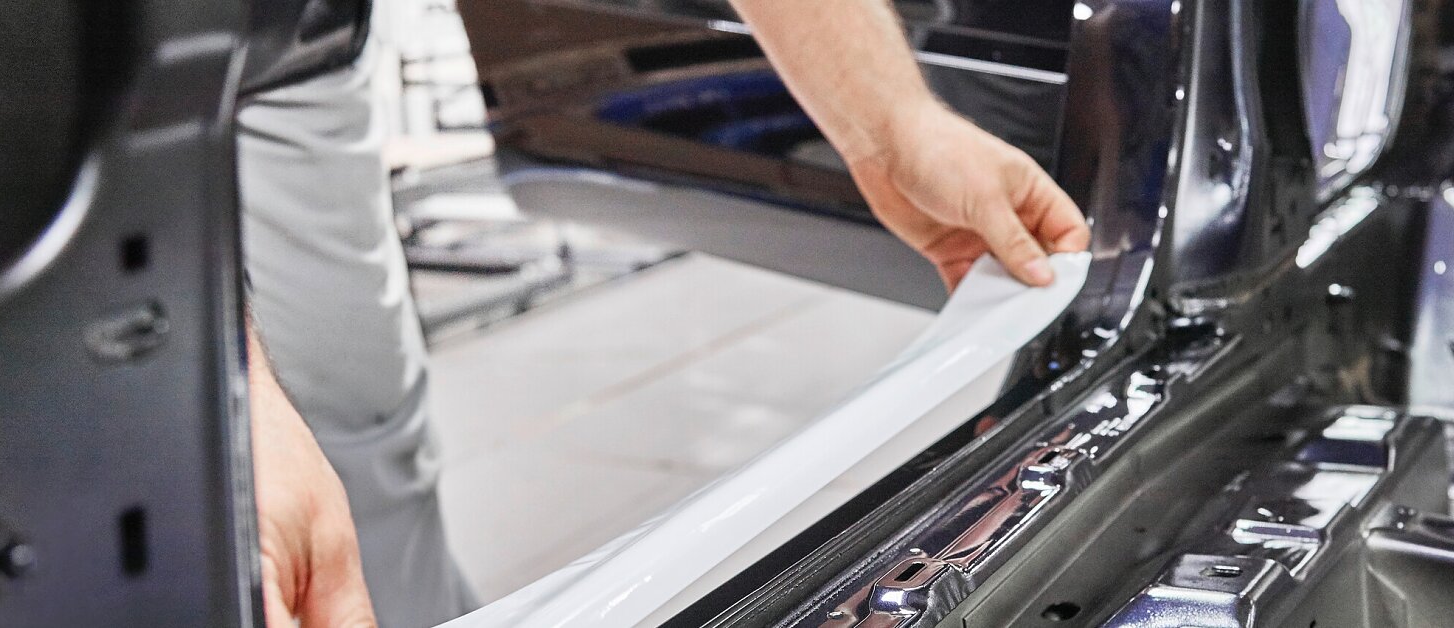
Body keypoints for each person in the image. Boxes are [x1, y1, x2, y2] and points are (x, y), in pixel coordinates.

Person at [241, 1, 1092, 626]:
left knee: (358, 456)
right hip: (157, 67)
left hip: (283, 59)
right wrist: (224, 396)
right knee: (238, 511)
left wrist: (891, 125)